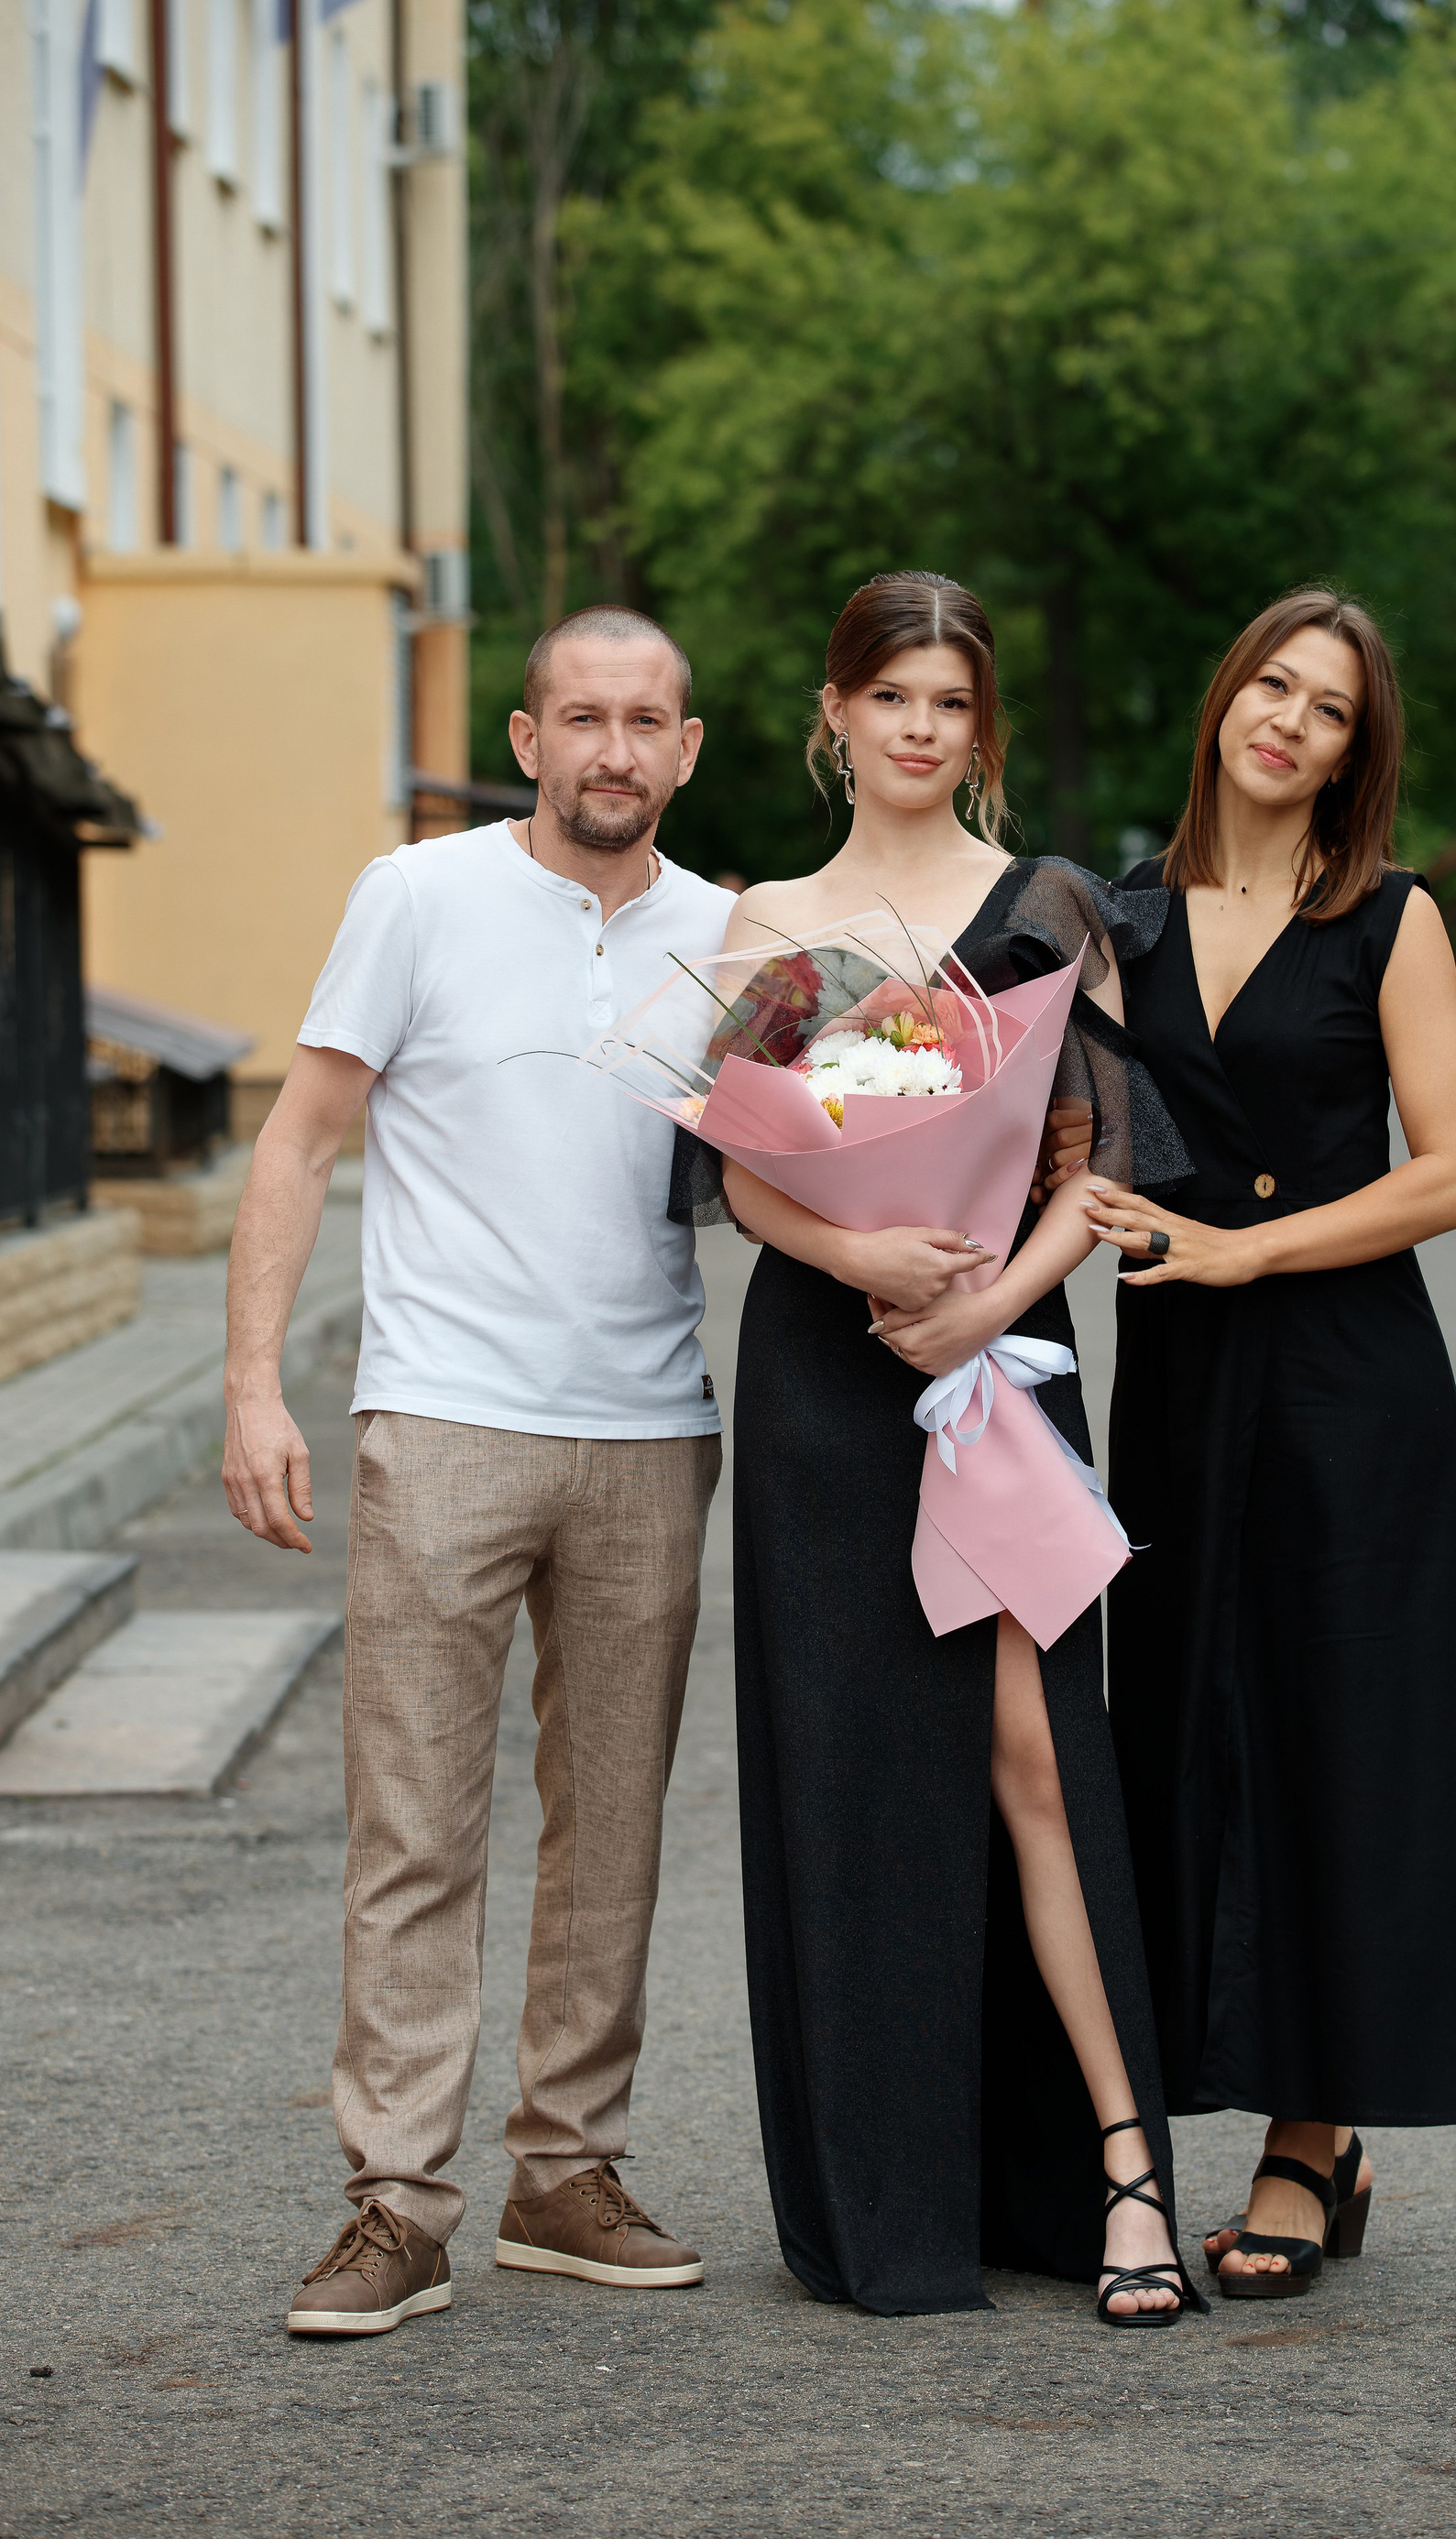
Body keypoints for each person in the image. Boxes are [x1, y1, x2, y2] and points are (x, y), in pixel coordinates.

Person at [673, 570, 1204, 2324]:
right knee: (854, 1776)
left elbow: (1095, 1162)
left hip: (998, 1367)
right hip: (829, 1382)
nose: (919, 726)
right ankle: (884, 2202)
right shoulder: (769, 921)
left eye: (950, 702)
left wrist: (989, 1308)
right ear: (835, 713)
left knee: (1038, 1761)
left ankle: (1123, 2178)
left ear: (982, 730)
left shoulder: (1046, 903)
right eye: (890, 695)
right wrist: (863, 1257)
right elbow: (743, 1170)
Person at [223, 607, 735, 2336]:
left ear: (686, 749)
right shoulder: (416, 897)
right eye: (581, 717)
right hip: (442, 1417)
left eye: (645, 722)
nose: (613, 750)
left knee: (614, 1830)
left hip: (652, 1429)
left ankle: (567, 2171)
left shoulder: (733, 938)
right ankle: (395, 2203)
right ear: (527, 739)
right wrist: (253, 1387)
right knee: (414, 1824)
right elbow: (302, 1136)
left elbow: (810, 1165)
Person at [1086, 586, 1456, 2299]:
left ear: (1355, 753)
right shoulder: (1120, 915)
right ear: (1224, 701)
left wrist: (1244, 1250)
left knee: (1338, 1735)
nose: (1289, 720)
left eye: (1329, 708)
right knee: (1192, 1725)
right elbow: (1060, 1135)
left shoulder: (1388, 918)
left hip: (1348, 1383)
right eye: (1272, 685)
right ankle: (1175, 2112)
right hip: (1180, 1389)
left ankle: (1311, 2137)